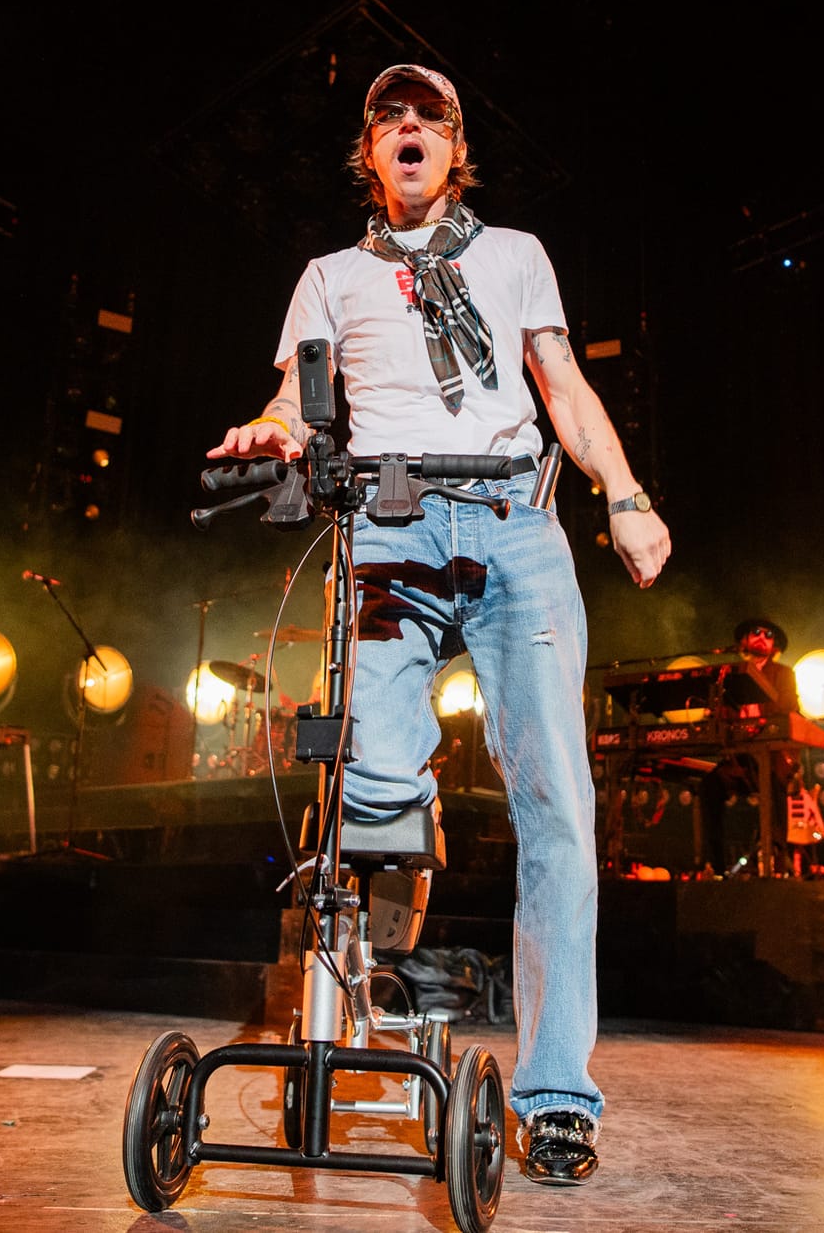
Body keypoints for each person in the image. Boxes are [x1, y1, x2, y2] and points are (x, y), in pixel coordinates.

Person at [208, 63, 671, 1186]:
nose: (407, 127)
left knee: (556, 806)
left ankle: (556, 1095)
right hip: (389, 524)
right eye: (389, 117)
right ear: (369, 152)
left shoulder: (514, 254)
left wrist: (623, 492)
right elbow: (296, 396)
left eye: (429, 117)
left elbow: (560, 382)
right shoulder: (329, 276)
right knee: (369, 779)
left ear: (455, 148)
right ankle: (379, 962)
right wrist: (272, 430)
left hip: (515, 521)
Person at [699, 617, 801, 872]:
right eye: (756, 632)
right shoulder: (728, 674)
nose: (762, 638)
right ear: (744, 640)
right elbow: (718, 715)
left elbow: (788, 711)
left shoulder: (783, 674)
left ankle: (777, 857)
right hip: (739, 758)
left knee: (774, 779)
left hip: (773, 754)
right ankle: (715, 865)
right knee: (709, 786)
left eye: (768, 635)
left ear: (774, 646)